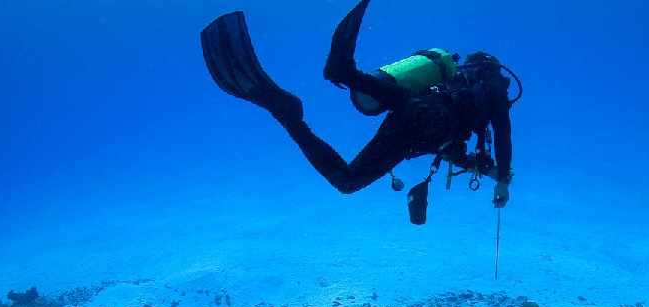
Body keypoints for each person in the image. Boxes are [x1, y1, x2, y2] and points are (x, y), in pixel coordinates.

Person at [200, 0, 516, 214]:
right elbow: (502, 133)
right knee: (347, 181)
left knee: (357, 163)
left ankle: (336, 78)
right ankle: (290, 116)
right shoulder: (493, 89)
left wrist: (480, 166)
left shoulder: (450, 82)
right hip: (425, 126)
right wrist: (501, 179)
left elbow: (445, 141)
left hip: (411, 109)